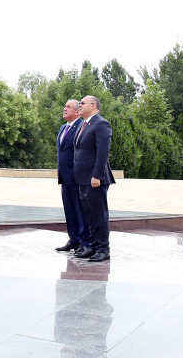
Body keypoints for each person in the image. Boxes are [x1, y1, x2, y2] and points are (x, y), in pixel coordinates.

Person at [72, 95, 115, 261]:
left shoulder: (101, 124)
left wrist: (96, 175)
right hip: (82, 179)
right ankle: (94, 246)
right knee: (89, 215)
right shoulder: (84, 124)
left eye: (82, 103)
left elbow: (103, 152)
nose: (79, 105)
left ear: (94, 105)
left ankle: (103, 249)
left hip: (95, 179)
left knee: (99, 215)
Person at [55, 99, 90, 253]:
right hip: (64, 176)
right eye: (65, 106)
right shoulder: (63, 128)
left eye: (68, 107)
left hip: (76, 176)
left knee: (80, 210)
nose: (64, 109)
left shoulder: (80, 127)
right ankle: (74, 239)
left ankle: (84, 241)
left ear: (77, 111)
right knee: (69, 209)